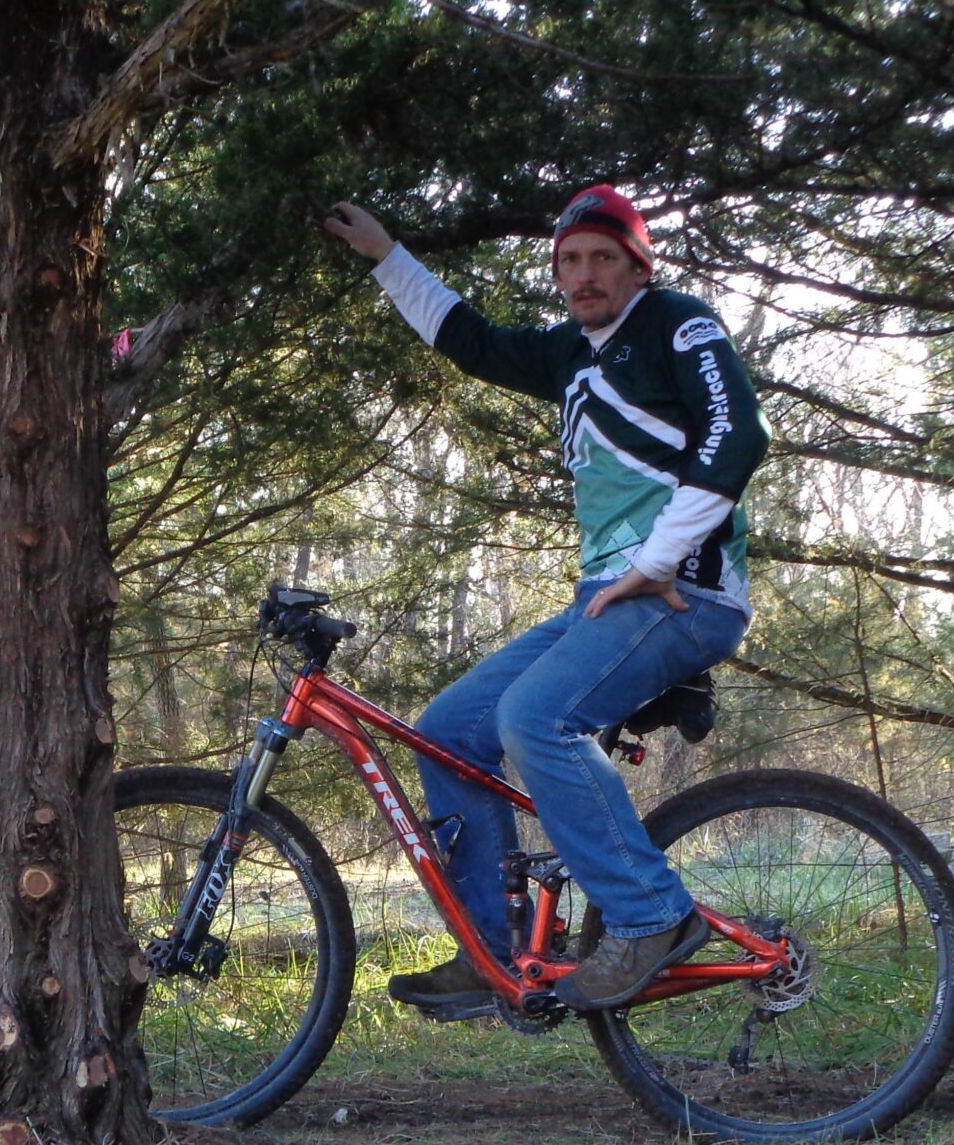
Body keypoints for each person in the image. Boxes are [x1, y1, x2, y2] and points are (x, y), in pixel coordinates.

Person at [320, 187, 769, 1012]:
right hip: (607, 597)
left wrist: (663, 556)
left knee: (534, 718)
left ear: (641, 265)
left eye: (604, 256)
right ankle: (494, 955)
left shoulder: (676, 322)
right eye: (570, 259)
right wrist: (389, 258)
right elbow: (474, 341)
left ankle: (651, 917)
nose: (584, 273)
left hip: (686, 593)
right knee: (451, 729)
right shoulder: (571, 353)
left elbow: (739, 432)